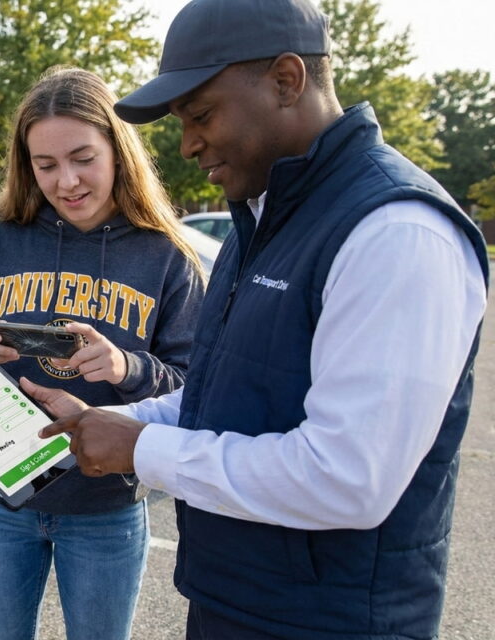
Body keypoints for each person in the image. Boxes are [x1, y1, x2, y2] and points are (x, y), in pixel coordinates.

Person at [28, 1, 490, 639]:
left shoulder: (397, 232)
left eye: (201, 115)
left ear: (286, 80)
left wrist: (140, 448)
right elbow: (230, 397)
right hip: (238, 601)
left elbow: (347, 477)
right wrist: (114, 422)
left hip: (331, 623)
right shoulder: (265, 216)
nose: (187, 144)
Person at [0, 66, 205, 640]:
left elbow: (197, 390)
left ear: (118, 151)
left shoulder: (165, 256)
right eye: (45, 165)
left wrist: (127, 368)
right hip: (2, 499)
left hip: (106, 507)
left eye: (83, 158)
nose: (66, 181)